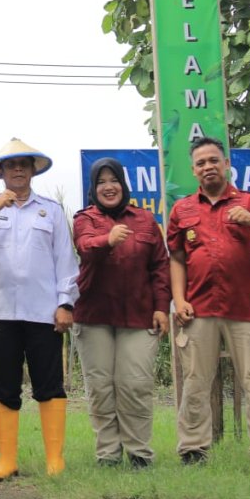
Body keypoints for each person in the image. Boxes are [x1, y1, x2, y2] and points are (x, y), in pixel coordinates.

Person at [0, 138, 78, 480]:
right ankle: (6, 460)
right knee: (4, 385)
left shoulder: (51, 210)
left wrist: (65, 303)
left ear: (32, 170)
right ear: (0, 172)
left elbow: (65, 262)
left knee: (49, 384)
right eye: (10, 166)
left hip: (43, 312)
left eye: (23, 165)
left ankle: (55, 460)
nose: (17, 171)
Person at [167, 136, 250, 471]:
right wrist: (178, 299)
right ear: (194, 170)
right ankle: (193, 448)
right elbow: (176, 258)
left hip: (244, 310)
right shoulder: (183, 209)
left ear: (227, 164)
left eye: (214, 161)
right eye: (201, 163)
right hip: (198, 309)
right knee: (195, 381)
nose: (208, 167)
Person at [71, 157, 170, 469]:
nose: (108, 187)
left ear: (123, 185)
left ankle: (139, 452)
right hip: (94, 314)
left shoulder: (144, 220)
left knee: (135, 384)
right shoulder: (84, 218)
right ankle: (108, 454)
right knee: (100, 386)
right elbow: (85, 246)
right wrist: (107, 239)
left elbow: (160, 267)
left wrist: (161, 307)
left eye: (113, 180)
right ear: (93, 188)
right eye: (101, 182)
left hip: (139, 315)